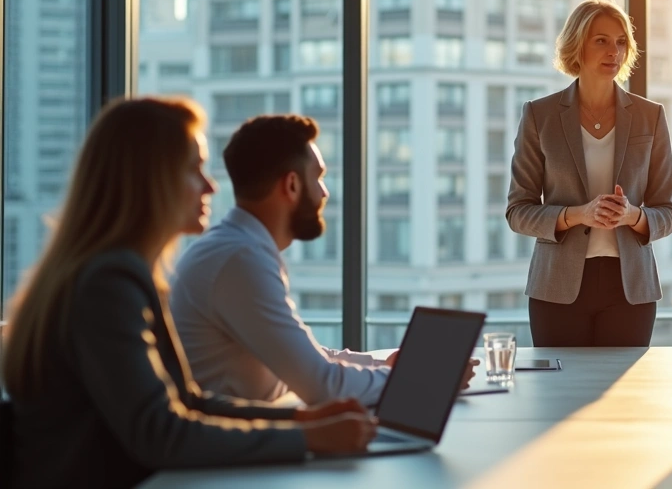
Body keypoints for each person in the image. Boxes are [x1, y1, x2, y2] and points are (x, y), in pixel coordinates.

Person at [1, 98, 375, 488]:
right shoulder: (108, 285)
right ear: (152, 179)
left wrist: (299, 420)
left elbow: (188, 401)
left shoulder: (120, 274)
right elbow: (160, 433)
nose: (211, 186)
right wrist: (309, 438)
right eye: (195, 169)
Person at [170, 115, 476, 406]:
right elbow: (323, 385)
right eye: (318, 177)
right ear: (291, 185)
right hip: (234, 455)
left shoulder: (234, 249)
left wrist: (381, 364)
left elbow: (305, 357)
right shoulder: (240, 259)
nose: (325, 193)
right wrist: (426, 379)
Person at [507, 0, 672, 347]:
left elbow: (669, 212)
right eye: (600, 40)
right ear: (577, 45)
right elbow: (517, 212)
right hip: (557, 287)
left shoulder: (651, 116)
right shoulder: (540, 115)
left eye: (620, 42)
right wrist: (577, 215)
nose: (613, 51)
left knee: (624, 400)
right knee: (561, 397)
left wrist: (633, 216)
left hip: (630, 288)